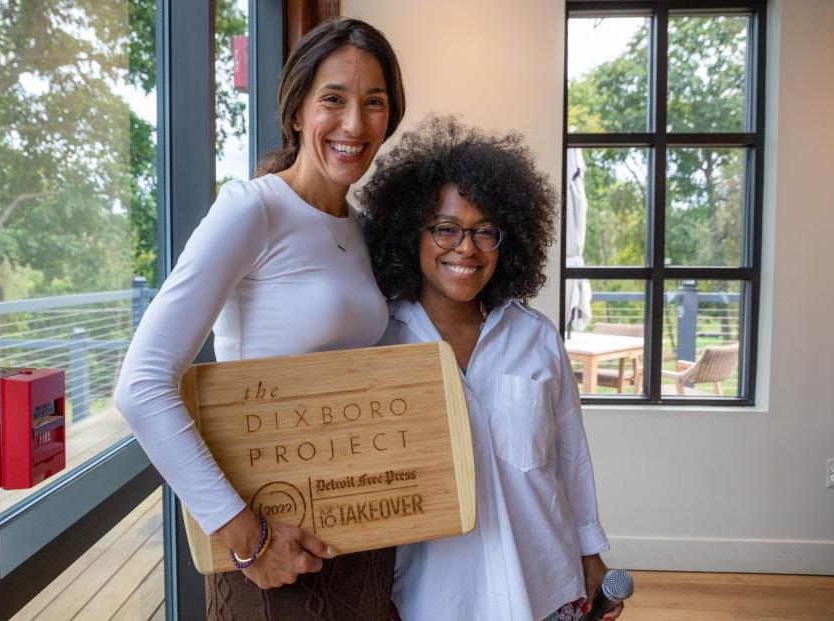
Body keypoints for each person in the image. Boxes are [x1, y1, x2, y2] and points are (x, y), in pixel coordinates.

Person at [114, 17, 406, 620]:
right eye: (333, 99)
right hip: (273, 549)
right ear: (297, 111)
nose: (354, 124)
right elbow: (141, 386)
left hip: (358, 535)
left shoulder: (364, 229)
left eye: (373, 103)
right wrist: (248, 540)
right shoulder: (253, 209)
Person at [359, 116, 623, 621]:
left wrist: (590, 552)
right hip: (429, 599)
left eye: (486, 232)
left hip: (541, 586)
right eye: (446, 228)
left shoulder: (537, 338)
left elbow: (571, 459)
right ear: (410, 233)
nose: (466, 247)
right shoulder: (378, 341)